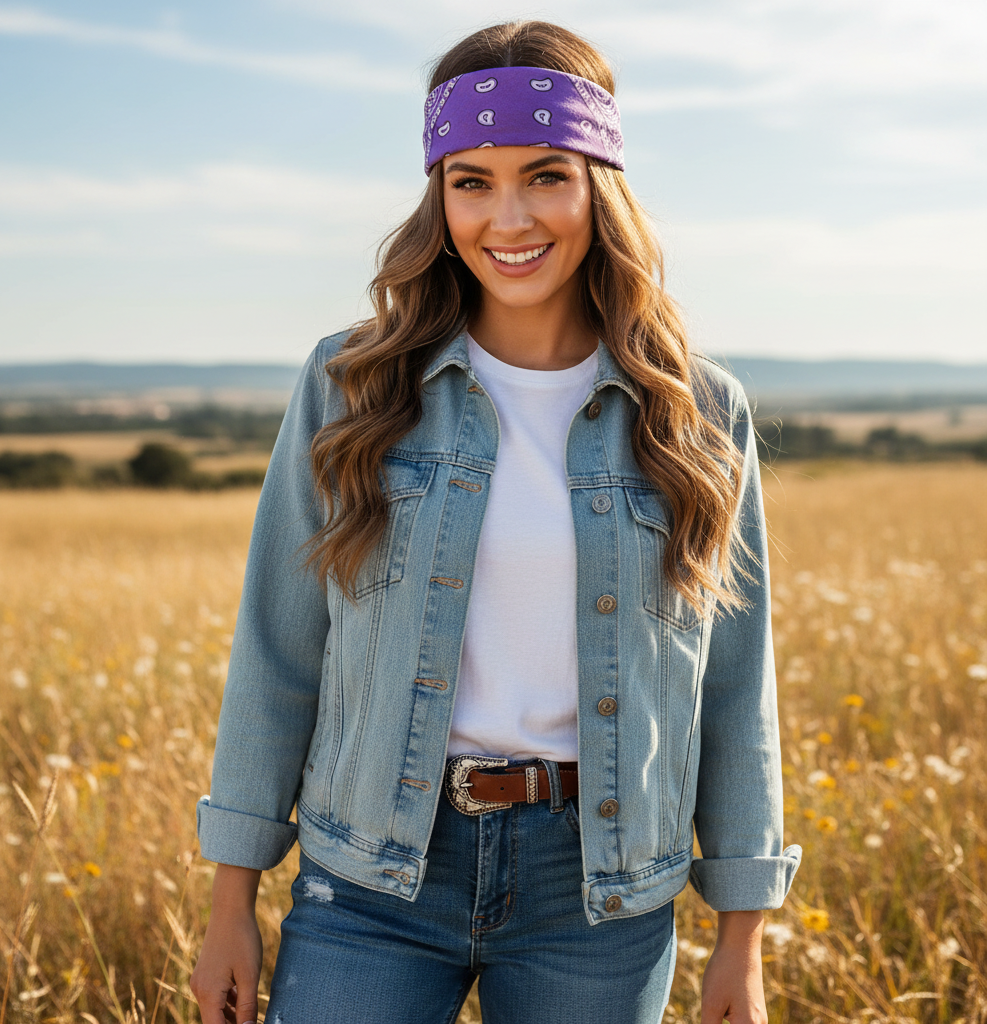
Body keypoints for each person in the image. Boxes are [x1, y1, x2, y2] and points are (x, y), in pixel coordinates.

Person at [189, 20, 801, 1024]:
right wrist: (230, 902)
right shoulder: (352, 387)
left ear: (600, 182)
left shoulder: (697, 410)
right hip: (373, 875)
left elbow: (731, 684)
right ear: (438, 198)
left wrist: (743, 936)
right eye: (470, 181)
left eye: (545, 175)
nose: (506, 217)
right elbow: (278, 650)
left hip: (598, 889)